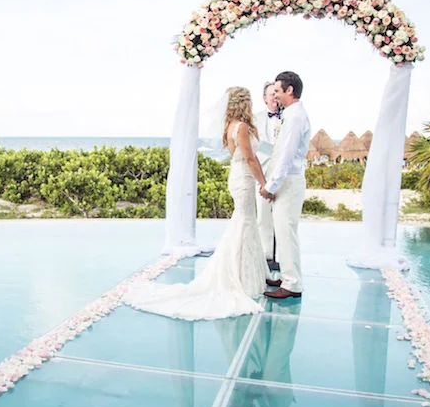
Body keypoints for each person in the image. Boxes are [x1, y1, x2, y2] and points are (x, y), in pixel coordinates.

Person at [123, 87, 274, 320]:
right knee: (244, 222)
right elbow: (250, 158)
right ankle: (237, 275)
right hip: (244, 179)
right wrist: (264, 183)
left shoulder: (231, 126)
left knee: (245, 222)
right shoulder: (241, 127)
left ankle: (249, 273)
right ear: (244, 104)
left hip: (239, 176)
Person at [260, 71, 311, 299]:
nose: (276, 96)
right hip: (286, 181)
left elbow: (286, 156)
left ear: (289, 90)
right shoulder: (291, 114)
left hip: (289, 181)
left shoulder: (295, 116)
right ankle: (289, 276)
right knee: (282, 231)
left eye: (278, 91)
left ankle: (292, 284)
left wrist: (270, 186)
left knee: (286, 231)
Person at [253, 82, 282, 264]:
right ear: (264, 98)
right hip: (262, 173)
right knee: (263, 217)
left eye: (276, 94)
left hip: (283, 174)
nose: (274, 97)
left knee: (281, 218)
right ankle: (267, 256)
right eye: (271, 94)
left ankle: (281, 256)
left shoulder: (289, 117)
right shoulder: (255, 119)